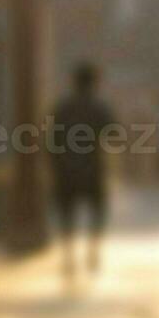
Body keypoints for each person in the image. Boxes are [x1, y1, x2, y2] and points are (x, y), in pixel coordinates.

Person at [49, 62, 116, 279]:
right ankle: (92, 250)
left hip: (65, 170)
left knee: (67, 215)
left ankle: (69, 256)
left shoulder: (63, 108)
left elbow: (50, 140)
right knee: (97, 211)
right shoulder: (98, 107)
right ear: (93, 83)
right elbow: (114, 133)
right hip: (91, 168)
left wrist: (54, 165)